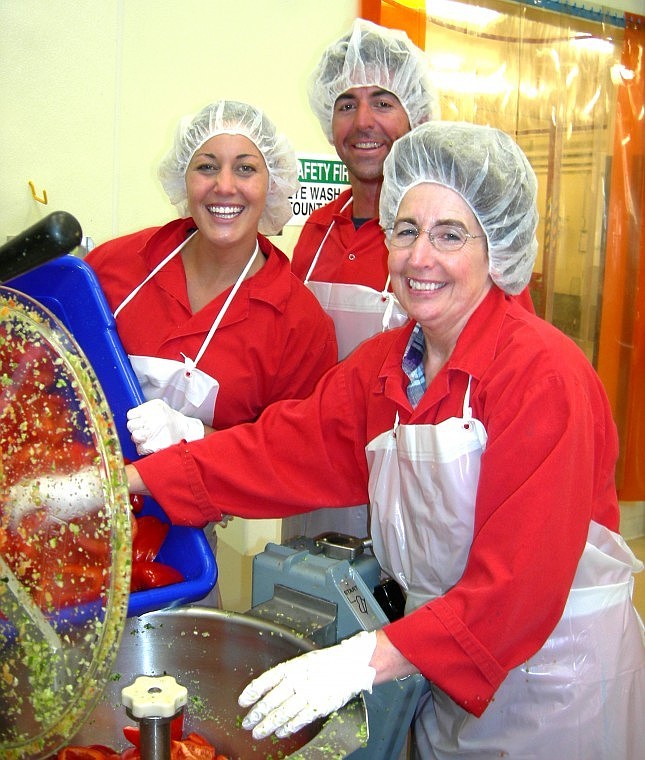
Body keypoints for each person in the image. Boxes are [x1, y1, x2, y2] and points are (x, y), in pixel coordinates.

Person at [123, 121, 644, 757]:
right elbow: (283, 448)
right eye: (406, 231)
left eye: (449, 235)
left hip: (557, 681)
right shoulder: (388, 364)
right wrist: (128, 479)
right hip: (440, 662)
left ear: (498, 249)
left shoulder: (544, 376)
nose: (420, 258)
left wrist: (362, 660)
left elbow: (519, 588)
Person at [86, 99, 338, 604]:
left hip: (181, 552)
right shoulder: (117, 268)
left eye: (246, 168)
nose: (225, 186)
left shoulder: (299, 322)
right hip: (79, 510)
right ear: (184, 178)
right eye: (207, 166)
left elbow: (288, 461)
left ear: (273, 184)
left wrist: (198, 436)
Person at [286, 18, 439, 541]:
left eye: (383, 101)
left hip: (412, 490)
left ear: (415, 114)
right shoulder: (318, 231)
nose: (363, 121)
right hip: (315, 480)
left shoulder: (444, 240)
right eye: (346, 104)